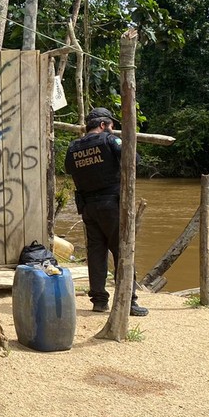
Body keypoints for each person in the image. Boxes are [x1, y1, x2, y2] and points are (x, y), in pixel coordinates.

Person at [65, 107, 147, 317]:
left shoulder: (73, 146)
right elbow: (134, 159)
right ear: (103, 125)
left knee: (96, 254)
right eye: (111, 126)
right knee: (123, 251)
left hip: (88, 208)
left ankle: (99, 301)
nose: (112, 130)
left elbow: (68, 168)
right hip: (112, 206)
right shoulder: (110, 141)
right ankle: (129, 302)